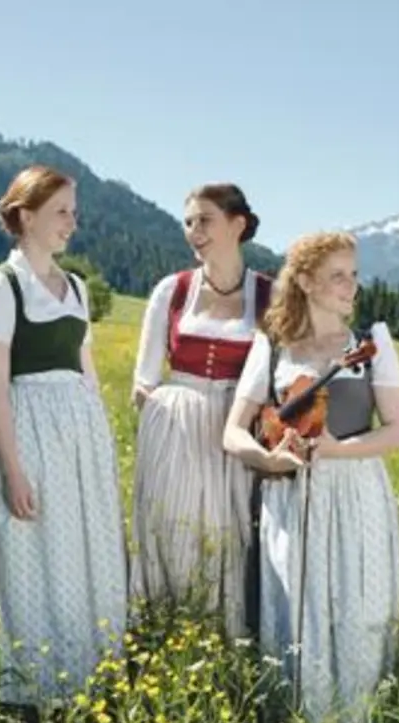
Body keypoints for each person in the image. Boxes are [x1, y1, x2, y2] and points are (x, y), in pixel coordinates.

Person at [222, 231, 399, 723]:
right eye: (337, 276)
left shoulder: (371, 340)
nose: (351, 286)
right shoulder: (273, 346)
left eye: (354, 274)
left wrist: (335, 450)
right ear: (304, 281)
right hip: (293, 497)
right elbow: (233, 434)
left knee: (358, 606)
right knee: (298, 607)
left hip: (357, 491)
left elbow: (398, 431)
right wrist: (270, 461)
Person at [0, 165, 129, 710]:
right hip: (31, 430)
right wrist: (12, 467)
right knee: (39, 553)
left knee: (91, 548)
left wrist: (102, 448)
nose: (72, 223)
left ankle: (94, 676)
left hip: (80, 434)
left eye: (74, 212)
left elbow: (86, 372)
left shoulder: (77, 287)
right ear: (25, 216)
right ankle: (41, 691)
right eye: (61, 211)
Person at [129, 183, 271, 639]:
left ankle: (224, 640)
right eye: (188, 222)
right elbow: (145, 377)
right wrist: (161, 426)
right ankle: (163, 631)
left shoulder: (269, 295)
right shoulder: (172, 290)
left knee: (232, 533)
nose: (194, 231)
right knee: (173, 530)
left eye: (205, 220)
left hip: (237, 426)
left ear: (238, 224)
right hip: (176, 426)